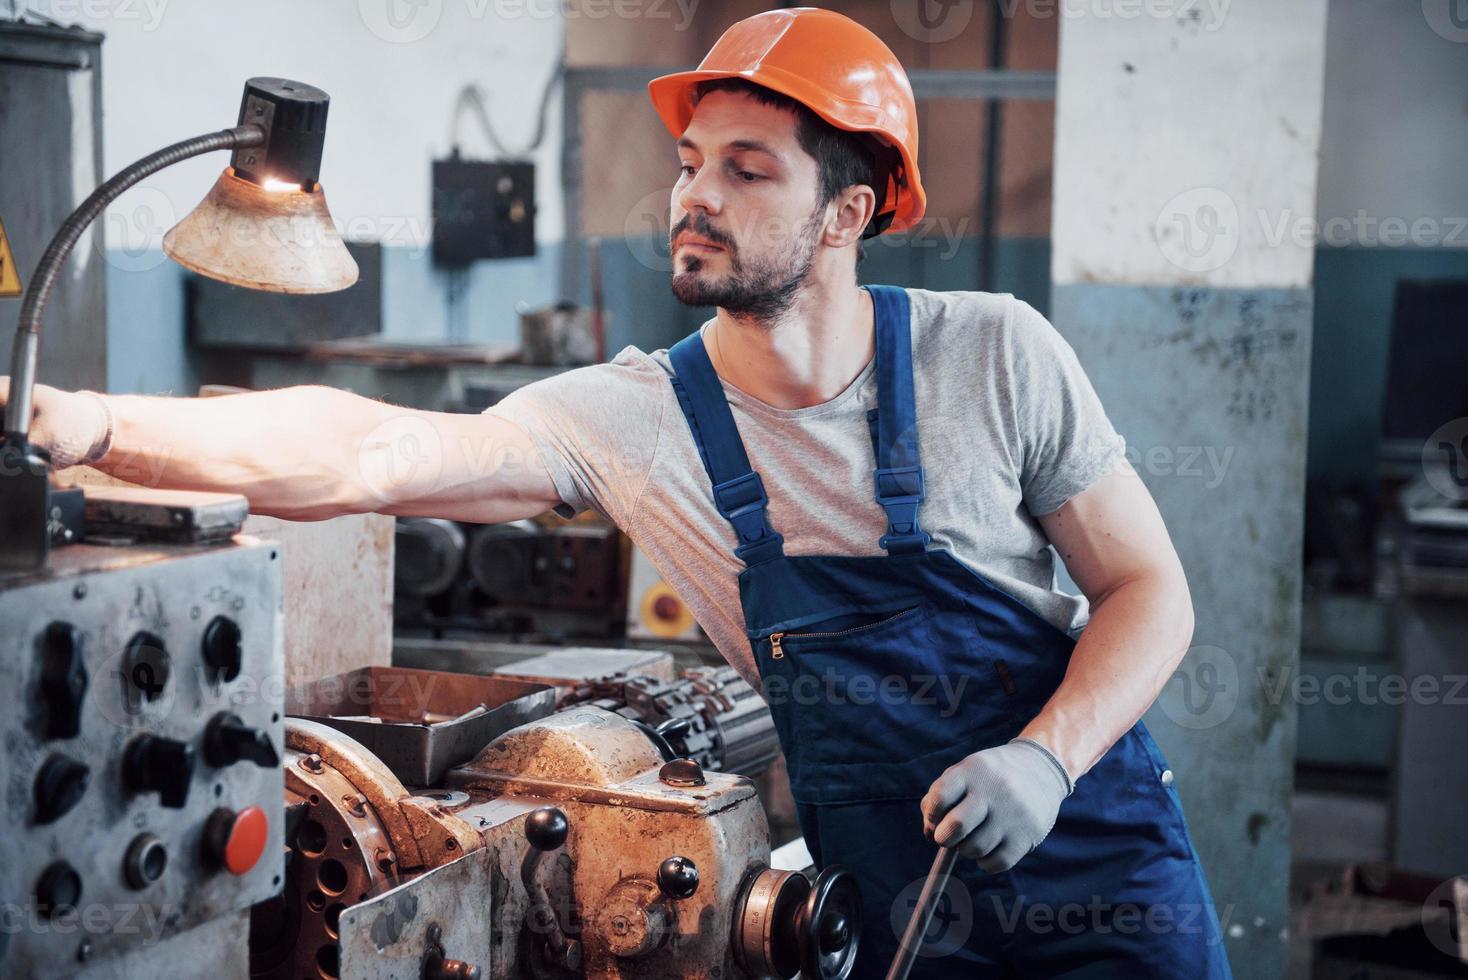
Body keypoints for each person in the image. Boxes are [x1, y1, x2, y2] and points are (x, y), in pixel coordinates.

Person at [1, 8, 1231, 977]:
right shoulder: (636, 415)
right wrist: (92, 423)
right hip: (893, 893)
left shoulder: (993, 352)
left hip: (1093, 856)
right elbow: (372, 452)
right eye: (692, 162)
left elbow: (1149, 591)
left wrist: (1044, 760)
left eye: (748, 170)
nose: (693, 194)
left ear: (848, 211)